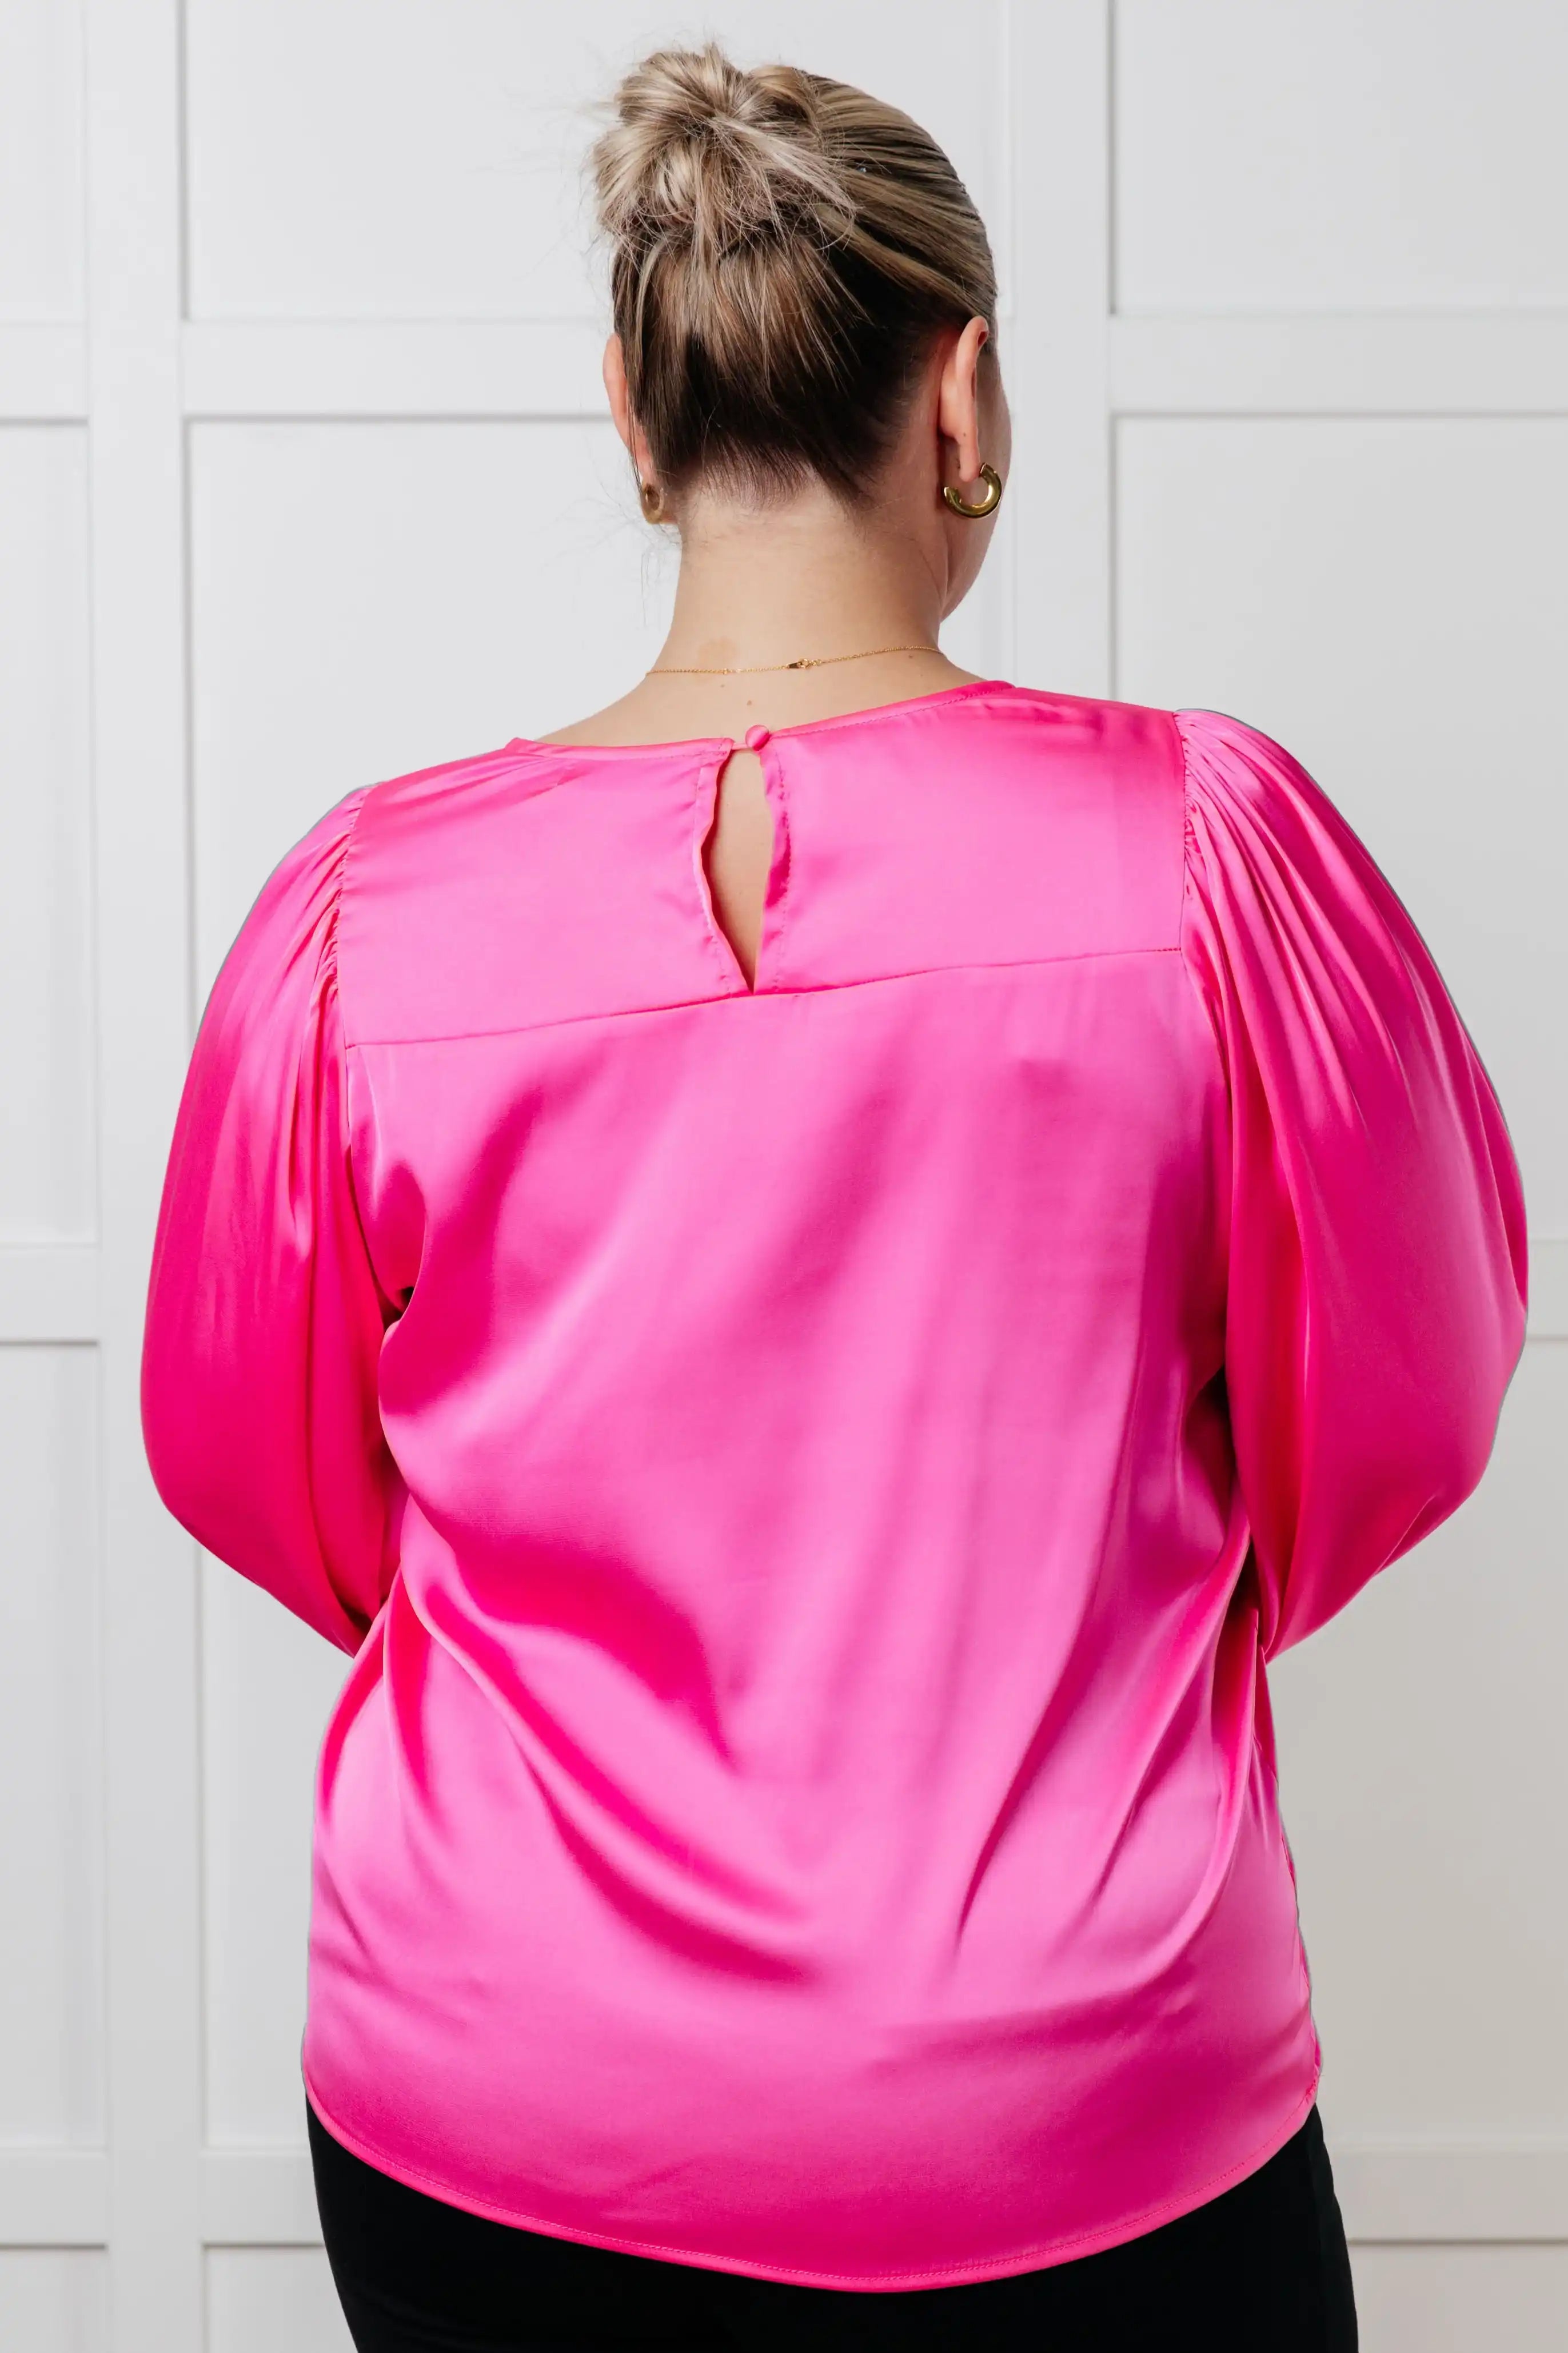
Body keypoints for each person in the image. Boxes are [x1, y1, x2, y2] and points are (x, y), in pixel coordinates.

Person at [139, 40, 1527, 2353]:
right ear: (958, 389)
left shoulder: (361, 914)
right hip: (1088, 2069)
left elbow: (260, 1471)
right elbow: (1399, 1403)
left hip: (497, 2083)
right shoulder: (1207, 854)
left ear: (630, 409)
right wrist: (1096, 1614)